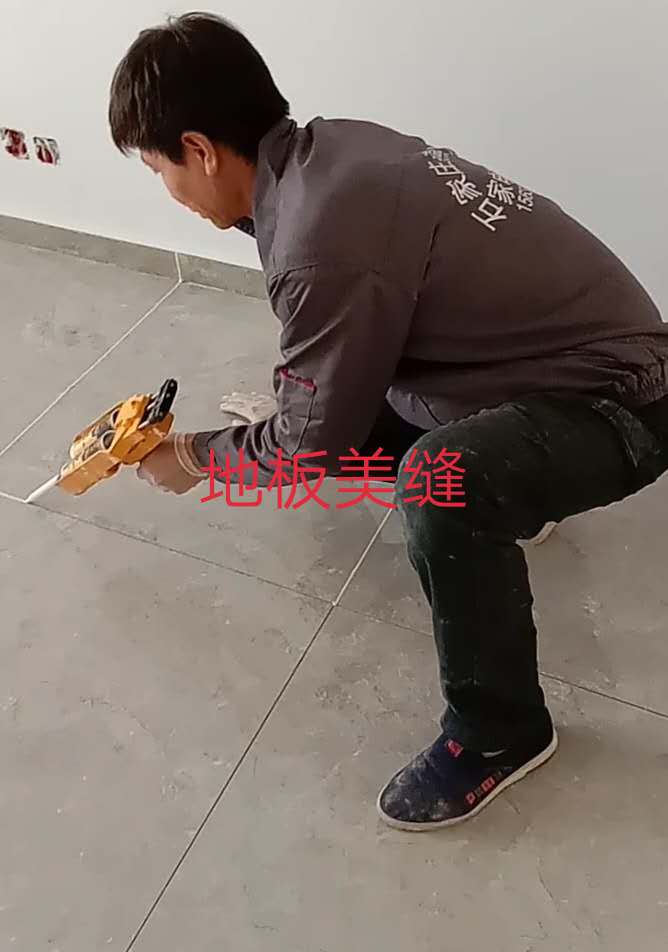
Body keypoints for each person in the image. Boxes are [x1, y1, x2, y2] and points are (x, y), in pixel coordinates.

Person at [108, 12, 668, 830]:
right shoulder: (330, 152)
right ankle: (518, 487)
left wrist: (196, 456)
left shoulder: (320, 235)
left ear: (199, 148)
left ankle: (499, 732)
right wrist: (297, 417)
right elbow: (328, 394)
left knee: (438, 485)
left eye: (160, 168)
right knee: (344, 412)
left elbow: (306, 449)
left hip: (626, 401)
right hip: (548, 370)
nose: (169, 191)